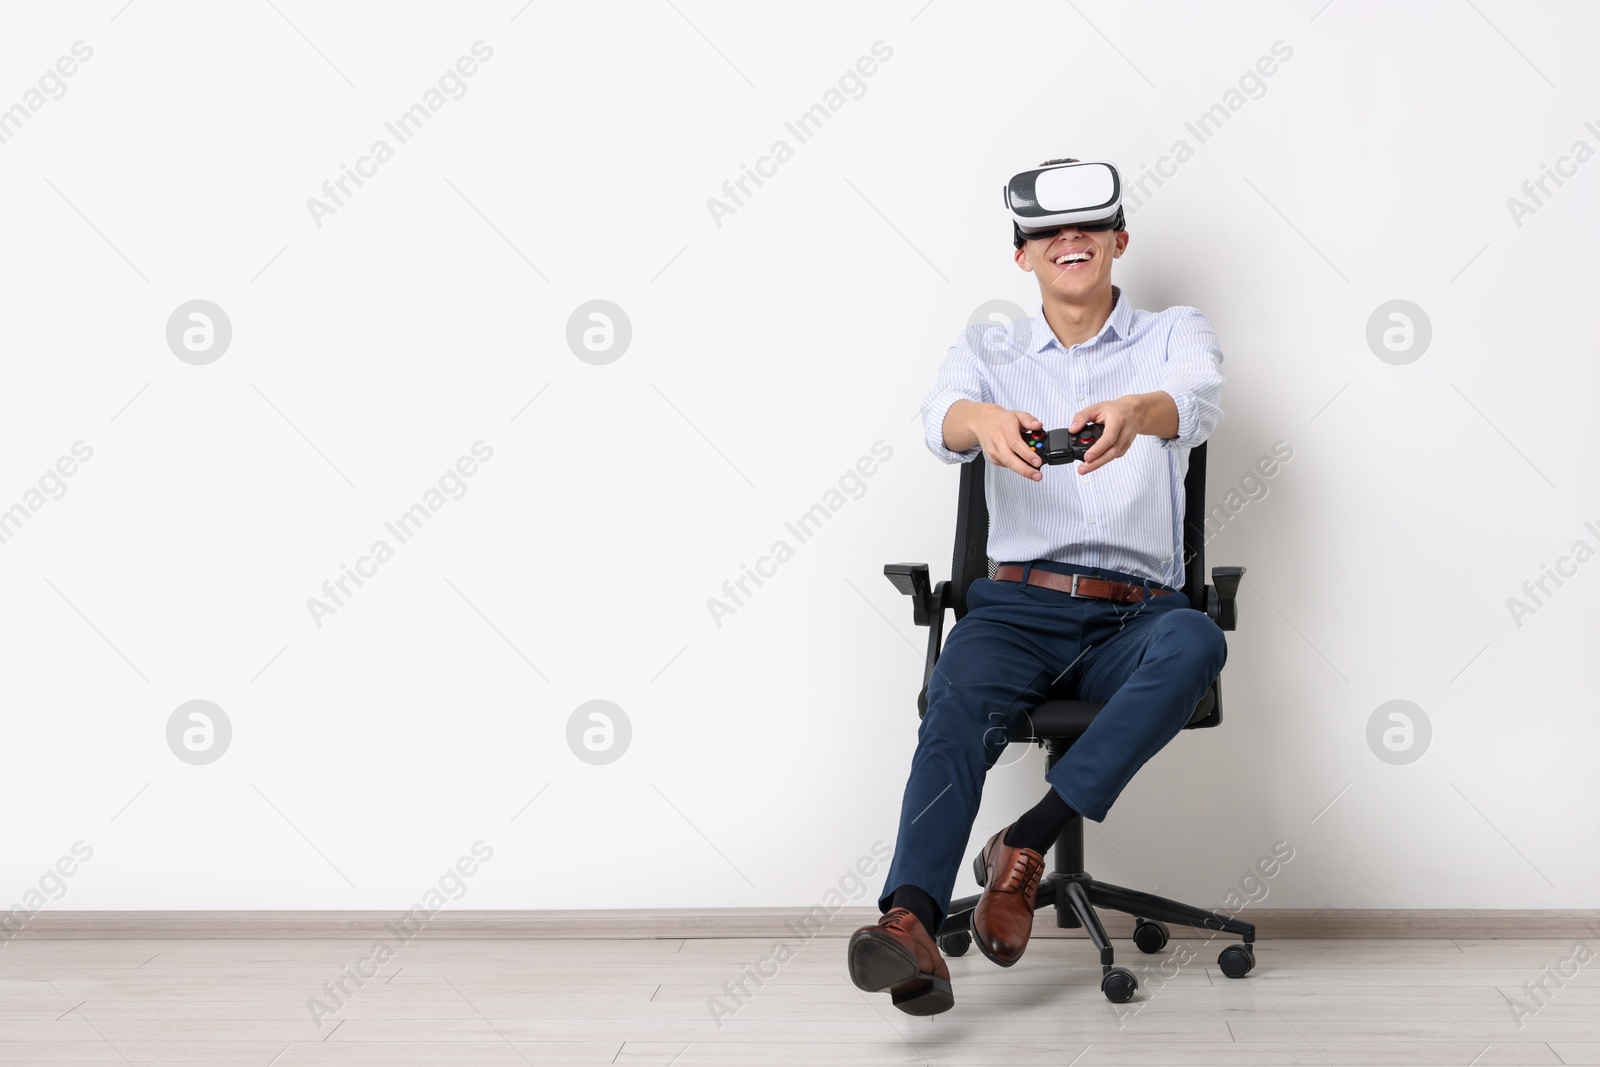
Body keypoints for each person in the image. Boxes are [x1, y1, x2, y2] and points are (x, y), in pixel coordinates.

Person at [845, 158, 1229, 1016]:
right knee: (956, 697)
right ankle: (909, 924)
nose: (1070, 242)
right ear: (1023, 257)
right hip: (1017, 607)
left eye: (1090, 229)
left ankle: (1024, 846)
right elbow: (939, 417)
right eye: (1050, 233)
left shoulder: (1174, 332)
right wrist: (982, 420)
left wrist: (1138, 412)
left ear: (1118, 242)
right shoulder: (991, 348)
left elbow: (1198, 399)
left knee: (1198, 642)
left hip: (1135, 612)